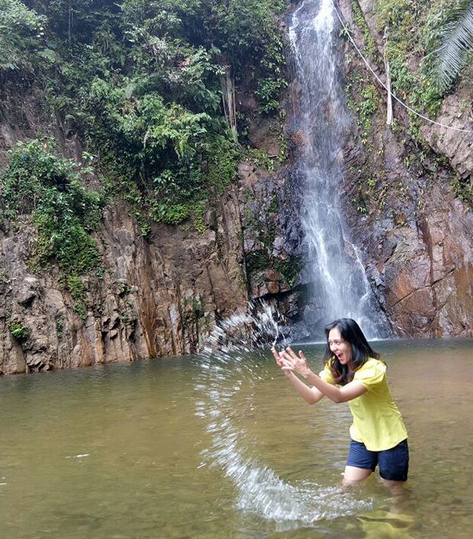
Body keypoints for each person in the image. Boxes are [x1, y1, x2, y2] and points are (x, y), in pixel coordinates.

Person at [272, 318, 408, 494]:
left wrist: (307, 373)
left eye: (338, 342)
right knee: (348, 487)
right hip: (361, 438)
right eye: (330, 343)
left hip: (389, 439)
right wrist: (290, 374)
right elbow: (312, 397)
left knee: (395, 494)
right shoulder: (335, 367)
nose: (333, 348)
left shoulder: (374, 368)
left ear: (352, 341)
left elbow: (340, 397)